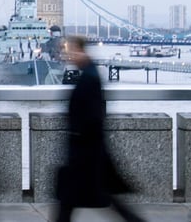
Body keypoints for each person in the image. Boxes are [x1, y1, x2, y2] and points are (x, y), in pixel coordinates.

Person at [55, 36, 144, 222]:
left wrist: (79, 135)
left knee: (74, 199)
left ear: (81, 51)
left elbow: (93, 115)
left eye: (71, 51)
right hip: (88, 150)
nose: (68, 55)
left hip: (85, 151)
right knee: (96, 197)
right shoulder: (89, 73)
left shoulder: (89, 78)